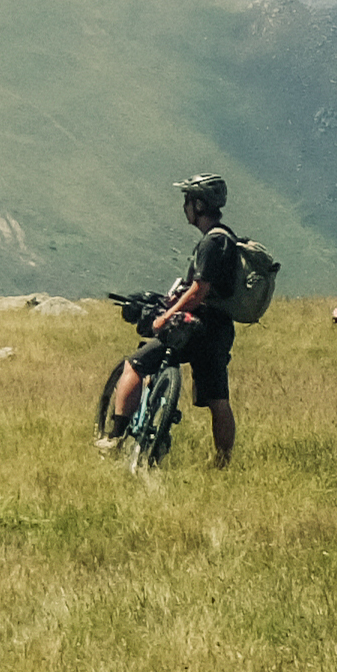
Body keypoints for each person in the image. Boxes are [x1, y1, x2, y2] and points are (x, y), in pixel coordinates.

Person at [104, 171, 246, 469]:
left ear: (199, 205)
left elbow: (199, 289)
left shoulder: (210, 242)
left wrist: (166, 316)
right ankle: (223, 463)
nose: (185, 207)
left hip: (195, 326)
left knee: (135, 365)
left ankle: (114, 438)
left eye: (188, 200)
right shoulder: (228, 239)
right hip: (220, 329)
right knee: (218, 398)